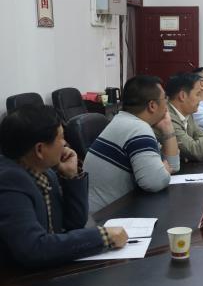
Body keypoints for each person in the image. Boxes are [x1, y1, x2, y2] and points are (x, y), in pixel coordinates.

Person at [0, 105, 127, 267]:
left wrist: (71, 176)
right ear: (40, 149)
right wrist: (102, 237)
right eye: (61, 138)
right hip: (15, 278)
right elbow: (33, 248)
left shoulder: (46, 172)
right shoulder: (9, 181)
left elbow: (74, 223)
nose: (65, 143)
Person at [85, 75, 180, 213]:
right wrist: (163, 170)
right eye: (165, 98)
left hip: (108, 210)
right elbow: (154, 182)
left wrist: (167, 127)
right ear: (152, 105)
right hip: (108, 216)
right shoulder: (138, 129)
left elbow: (173, 166)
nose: (167, 103)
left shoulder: (123, 120)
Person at [158, 72, 203, 162]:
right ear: (182, 96)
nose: (200, 99)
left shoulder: (188, 112)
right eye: (198, 94)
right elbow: (194, 150)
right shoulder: (166, 117)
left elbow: (202, 138)